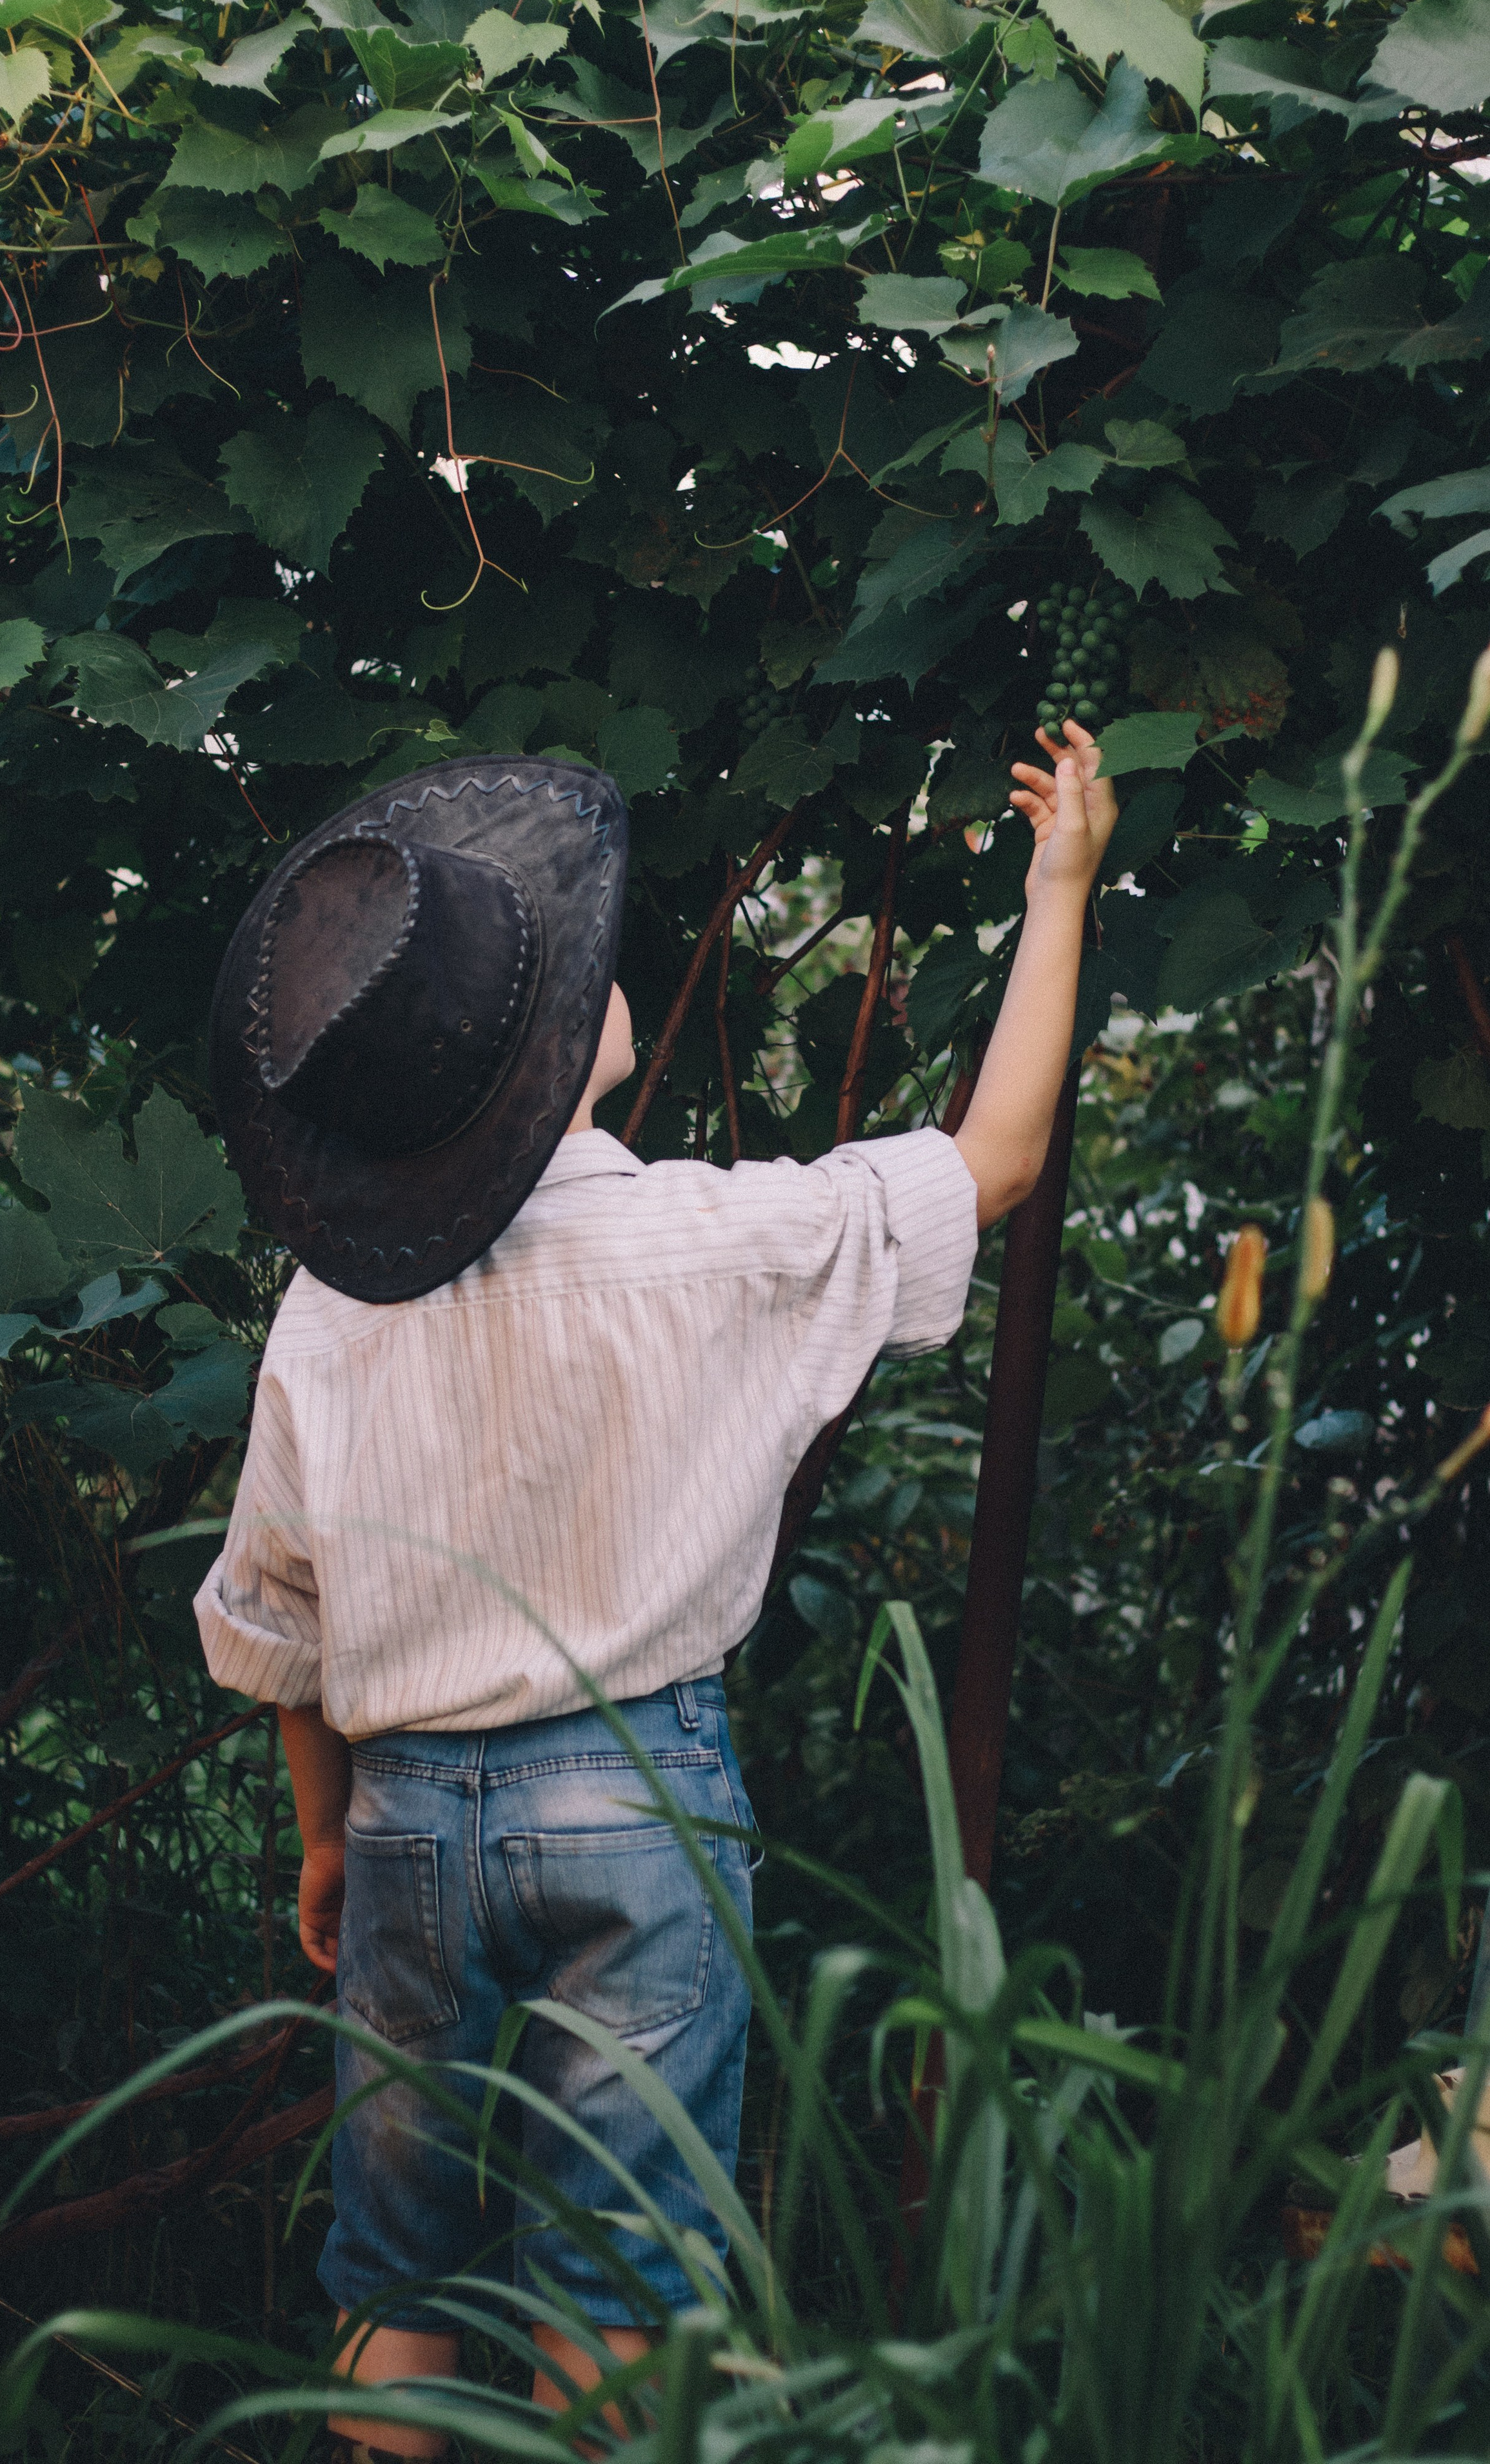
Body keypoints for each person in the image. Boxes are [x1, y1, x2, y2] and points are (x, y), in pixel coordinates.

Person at [195, 724, 1118, 2460]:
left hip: (400, 1823)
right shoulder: (710, 1238)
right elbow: (990, 1165)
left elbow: (278, 1626)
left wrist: (328, 1838)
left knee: (391, 2283)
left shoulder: (328, 1315)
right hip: (638, 1807)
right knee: (619, 2297)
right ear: (544, 1061)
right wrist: (1060, 884)